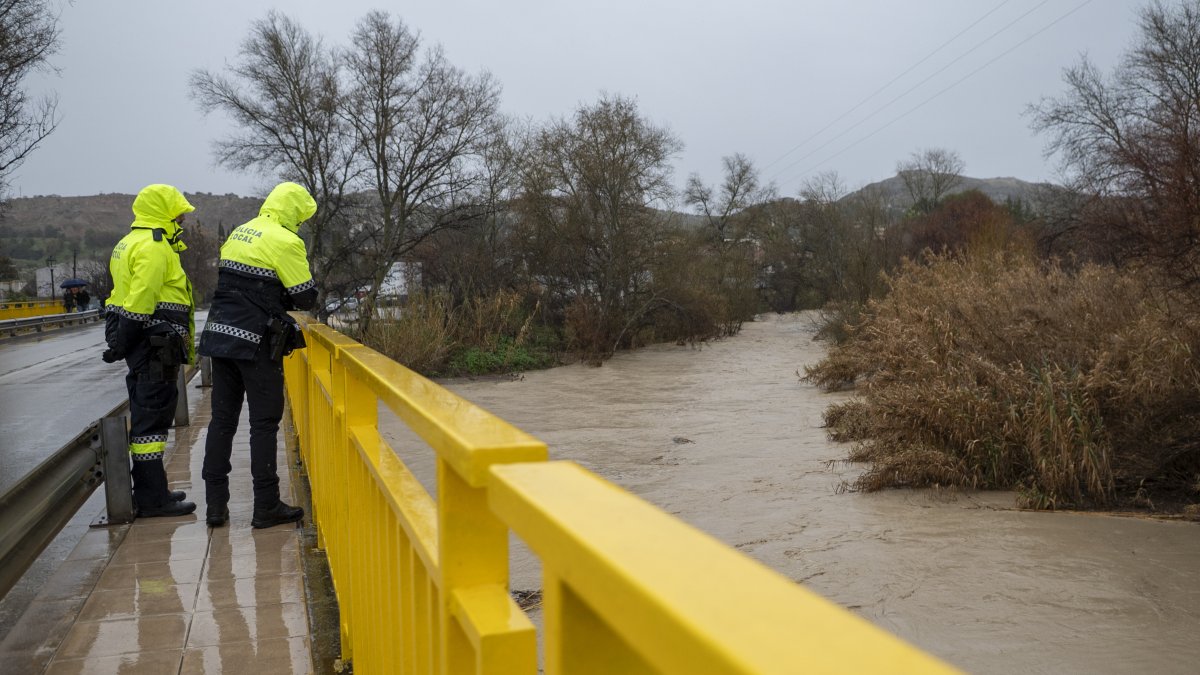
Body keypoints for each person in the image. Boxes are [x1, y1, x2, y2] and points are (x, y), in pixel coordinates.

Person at [199, 182, 318, 529]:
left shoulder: (240, 232)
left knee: (222, 421)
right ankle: (266, 505)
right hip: (255, 341)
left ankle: (215, 506)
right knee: (263, 423)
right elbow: (306, 297)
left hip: (219, 337)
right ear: (294, 212)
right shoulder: (286, 240)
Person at [102, 184, 198, 518]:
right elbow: (141, 300)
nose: (183, 218)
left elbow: (122, 295)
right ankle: (151, 499)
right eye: (179, 212)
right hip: (153, 341)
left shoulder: (128, 241)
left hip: (145, 340)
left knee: (150, 412)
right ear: (164, 212)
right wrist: (124, 342)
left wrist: (120, 342)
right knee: (152, 416)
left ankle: (154, 490)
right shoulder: (155, 247)